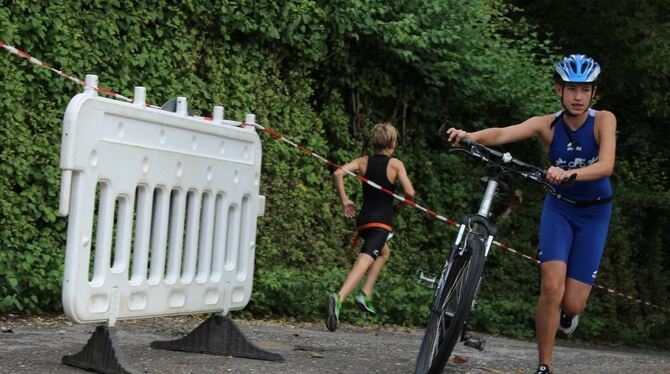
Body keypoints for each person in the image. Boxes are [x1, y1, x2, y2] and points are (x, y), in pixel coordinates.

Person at [446, 54, 616, 374]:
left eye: (584, 90)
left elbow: (607, 165)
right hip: (560, 210)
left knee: (573, 303)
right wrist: (469, 135)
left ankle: (568, 316)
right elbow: (501, 133)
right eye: (571, 89)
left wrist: (570, 175)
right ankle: (544, 365)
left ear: (594, 93)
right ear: (558, 90)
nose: (578, 97)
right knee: (551, 285)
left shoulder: (604, 120)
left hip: (595, 215)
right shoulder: (547, 125)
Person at [326, 122, 415, 332]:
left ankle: (365, 293)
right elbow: (410, 193)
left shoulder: (363, 161)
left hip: (364, 220)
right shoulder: (396, 165)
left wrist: (345, 201)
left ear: (374, 142)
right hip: (382, 221)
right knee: (365, 259)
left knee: (384, 252)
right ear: (392, 143)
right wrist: (399, 206)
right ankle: (339, 298)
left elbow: (338, 173)